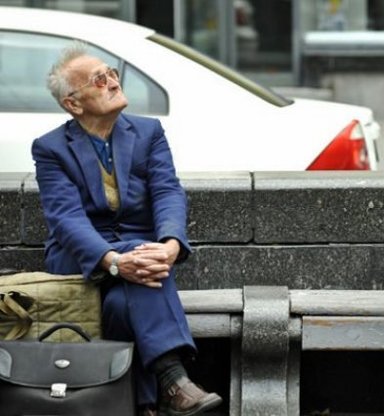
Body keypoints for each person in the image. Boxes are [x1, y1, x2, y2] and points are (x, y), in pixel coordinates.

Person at [31, 43, 222, 416]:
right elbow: (66, 219)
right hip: (80, 259)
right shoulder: (50, 148)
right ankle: (174, 381)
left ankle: (148, 401)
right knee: (141, 260)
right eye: (98, 80)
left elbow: (167, 191)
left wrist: (170, 245)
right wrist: (115, 260)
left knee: (121, 305)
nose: (113, 82)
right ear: (73, 103)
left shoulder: (149, 132)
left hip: (144, 261)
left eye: (112, 74)